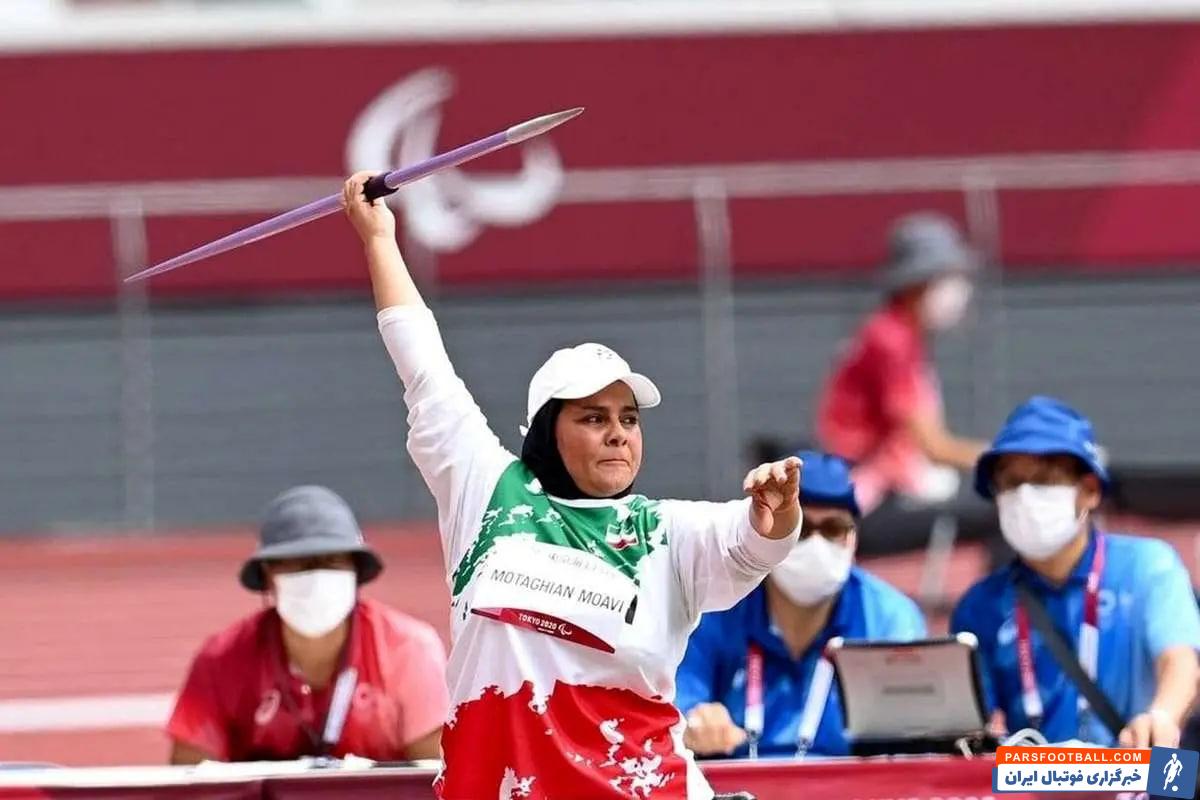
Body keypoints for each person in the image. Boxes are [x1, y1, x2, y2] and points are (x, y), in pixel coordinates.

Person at [344, 171, 804, 799]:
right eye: (593, 418)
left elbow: (753, 543)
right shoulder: (486, 489)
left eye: (629, 420)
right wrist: (378, 239)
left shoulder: (664, 530)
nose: (618, 434)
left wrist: (777, 512)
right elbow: (424, 368)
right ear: (545, 432)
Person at [951, 397, 1200, 748]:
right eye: (1011, 482)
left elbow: (1181, 662)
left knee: (1175, 772)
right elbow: (970, 727)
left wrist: (1162, 717)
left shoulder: (1147, 566)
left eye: (1045, 478)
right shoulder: (980, 605)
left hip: (1145, 763)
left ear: (1090, 491)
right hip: (1037, 773)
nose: (1025, 495)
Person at [166, 485, 449, 764]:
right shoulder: (221, 659)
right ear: (267, 576)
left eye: (332, 561)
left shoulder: (408, 650)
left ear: (355, 570)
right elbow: (189, 777)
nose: (315, 579)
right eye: (296, 563)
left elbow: (439, 774)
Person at [675, 451, 926, 759]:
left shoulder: (890, 618)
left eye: (833, 529)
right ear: (769, 533)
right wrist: (694, 723)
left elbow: (913, 739)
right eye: (801, 529)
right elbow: (677, 704)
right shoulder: (716, 606)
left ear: (854, 537)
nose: (817, 545)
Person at [816, 212, 989, 518]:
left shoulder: (899, 337)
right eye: (944, 278)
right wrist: (1013, 459)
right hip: (865, 490)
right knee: (995, 513)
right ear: (913, 284)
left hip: (885, 480)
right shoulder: (890, 341)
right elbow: (934, 447)